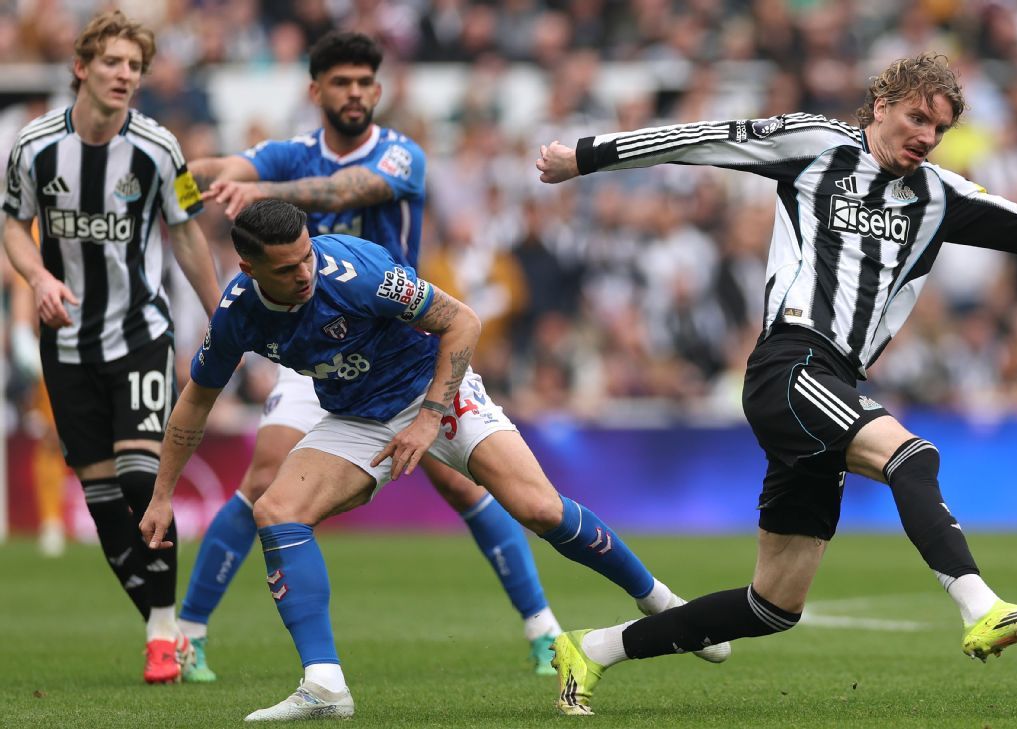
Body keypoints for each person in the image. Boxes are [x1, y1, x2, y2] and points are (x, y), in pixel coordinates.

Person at [536, 52, 1017, 714]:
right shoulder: (818, 145)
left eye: (939, 128)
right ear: (881, 106)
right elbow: (701, 139)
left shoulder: (938, 195)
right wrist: (584, 156)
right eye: (916, 118)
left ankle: (592, 648)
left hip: (835, 381)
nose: (926, 136)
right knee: (911, 456)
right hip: (790, 363)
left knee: (773, 605)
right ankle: (981, 607)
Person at [139, 199, 729, 721]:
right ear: (249, 269)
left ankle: (660, 602)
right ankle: (324, 686)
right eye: (288, 268)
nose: (305, 273)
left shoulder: (357, 273)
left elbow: (463, 322)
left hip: (435, 390)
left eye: (307, 257)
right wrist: (163, 493)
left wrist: (428, 418)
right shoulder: (238, 312)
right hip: (359, 416)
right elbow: (196, 399)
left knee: (539, 509)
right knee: (277, 510)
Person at [178, 31, 564, 680]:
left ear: (377, 90)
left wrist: (267, 192)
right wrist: (173, 177)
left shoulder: (397, 155)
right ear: (317, 91)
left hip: (394, 343)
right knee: (263, 478)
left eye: (364, 82)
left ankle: (542, 627)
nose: (354, 93)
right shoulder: (291, 153)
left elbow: (347, 191)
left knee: (461, 482)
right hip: (309, 346)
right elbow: (221, 169)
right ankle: (185, 634)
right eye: (341, 82)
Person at [2, 10, 221, 684]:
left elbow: (187, 231)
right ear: (81, 68)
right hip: (66, 344)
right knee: (102, 503)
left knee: (139, 480)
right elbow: (11, 224)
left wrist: (224, 315)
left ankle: (162, 634)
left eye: (135, 66)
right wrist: (38, 277)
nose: (126, 75)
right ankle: (171, 629)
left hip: (138, 335)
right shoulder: (33, 146)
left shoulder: (160, 148)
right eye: (113, 62)